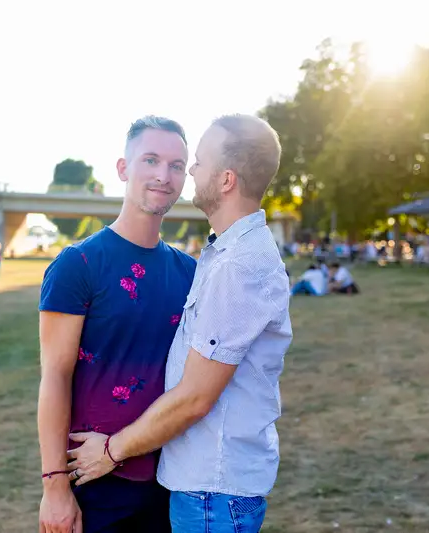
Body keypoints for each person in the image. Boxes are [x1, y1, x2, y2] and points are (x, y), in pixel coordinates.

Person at [66, 114, 292, 532]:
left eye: (198, 161)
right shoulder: (225, 255)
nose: (189, 171)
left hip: (212, 494)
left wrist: (112, 451)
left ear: (225, 180)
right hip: (203, 489)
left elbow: (194, 398)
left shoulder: (239, 267)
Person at [37, 116, 196, 533]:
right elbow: (54, 377)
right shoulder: (78, 264)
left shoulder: (192, 273)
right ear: (123, 169)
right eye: (151, 160)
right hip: (96, 479)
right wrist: (54, 488)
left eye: (177, 165)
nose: (164, 175)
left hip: (175, 478)